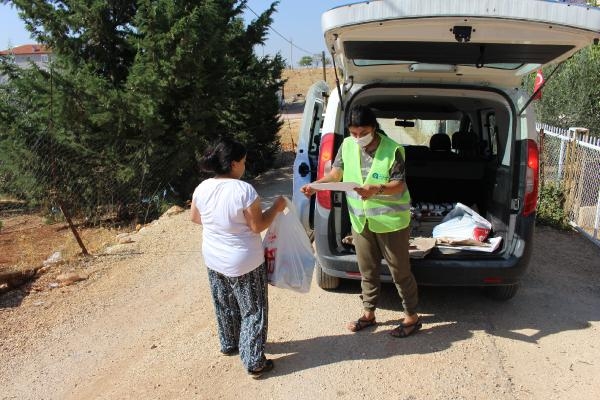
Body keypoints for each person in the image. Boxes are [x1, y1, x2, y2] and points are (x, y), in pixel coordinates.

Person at [300, 105, 421, 338]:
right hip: (361, 222)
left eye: (362, 132)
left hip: (391, 222)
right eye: (353, 133)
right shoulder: (346, 146)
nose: (357, 138)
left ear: (374, 128)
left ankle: (411, 317)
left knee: (400, 272)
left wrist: (376, 189)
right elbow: (336, 174)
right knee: (367, 270)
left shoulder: (392, 150)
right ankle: (368, 313)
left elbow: (399, 185)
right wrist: (316, 186)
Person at [190, 138, 286, 377]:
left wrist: (220, 226)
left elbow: (194, 217)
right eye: (243, 161)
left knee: (224, 303)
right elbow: (257, 226)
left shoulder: (202, 187)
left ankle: (230, 343)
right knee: (253, 310)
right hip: (244, 261)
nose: (245, 165)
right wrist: (276, 207)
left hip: (213, 257)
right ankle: (254, 360)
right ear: (233, 164)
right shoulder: (244, 190)